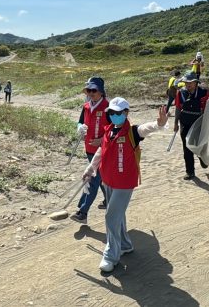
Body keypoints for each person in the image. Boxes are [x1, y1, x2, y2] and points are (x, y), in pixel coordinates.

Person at [82, 98, 169, 272]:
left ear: (126, 113)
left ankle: (111, 256)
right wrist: (91, 168)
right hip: (108, 180)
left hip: (124, 183)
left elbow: (146, 128)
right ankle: (125, 245)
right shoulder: (108, 130)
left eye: (118, 112)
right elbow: (101, 151)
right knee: (118, 216)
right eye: (111, 113)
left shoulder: (132, 132)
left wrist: (159, 124)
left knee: (111, 217)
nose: (114, 115)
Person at [71, 77, 110, 223]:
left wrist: (102, 139)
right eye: (89, 90)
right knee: (100, 178)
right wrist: (79, 128)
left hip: (103, 150)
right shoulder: (86, 106)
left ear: (101, 92)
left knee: (92, 178)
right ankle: (109, 200)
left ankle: (83, 212)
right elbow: (80, 121)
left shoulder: (108, 108)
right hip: (89, 148)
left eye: (94, 90)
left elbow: (115, 129)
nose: (91, 93)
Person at [173, 72, 209, 180]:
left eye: (190, 82)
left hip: (199, 123)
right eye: (186, 82)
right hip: (184, 122)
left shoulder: (204, 93)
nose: (188, 84)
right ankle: (190, 172)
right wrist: (176, 123)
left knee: (199, 144)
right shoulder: (181, 93)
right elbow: (178, 108)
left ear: (196, 82)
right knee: (186, 147)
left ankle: (202, 158)